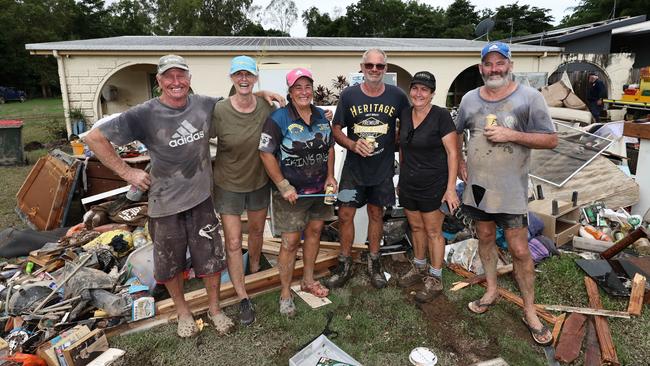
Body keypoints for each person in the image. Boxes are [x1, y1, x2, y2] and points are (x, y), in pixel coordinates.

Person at [85, 54, 282, 338]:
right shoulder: (144, 113)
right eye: (169, 76)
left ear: (189, 80)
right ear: (159, 81)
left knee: (211, 261)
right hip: (164, 204)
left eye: (181, 76)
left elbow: (237, 100)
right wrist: (127, 173)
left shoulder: (204, 104)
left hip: (202, 199)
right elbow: (93, 138)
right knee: (170, 264)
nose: (176, 82)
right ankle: (183, 312)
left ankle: (215, 309)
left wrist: (261, 93)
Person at [455, 42, 558, 346]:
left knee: (520, 250)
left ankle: (530, 310)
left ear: (510, 65)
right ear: (481, 68)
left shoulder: (530, 98)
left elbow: (551, 139)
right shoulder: (469, 99)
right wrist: (461, 159)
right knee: (485, 239)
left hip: (511, 190)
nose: (494, 69)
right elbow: (458, 131)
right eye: (489, 64)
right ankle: (491, 290)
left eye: (500, 63)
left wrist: (510, 134)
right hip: (478, 188)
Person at [325, 48, 410, 289]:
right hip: (353, 170)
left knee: (376, 215)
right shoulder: (349, 95)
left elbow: (406, 132)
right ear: (361, 68)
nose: (374, 70)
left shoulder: (397, 96)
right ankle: (344, 264)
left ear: (386, 69)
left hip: (382, 171)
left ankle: (374, 262)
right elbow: (336, 129)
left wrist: (403, 169)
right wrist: (352, 144)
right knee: (344, 215)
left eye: (379, 66)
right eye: (369, 65)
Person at [259, 67, 337, 316]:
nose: (303, 92)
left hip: (318, 191)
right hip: (291, 194)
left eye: (307, 87)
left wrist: (330, 176)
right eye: (297, 87)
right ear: (290, 91)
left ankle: (308, 280)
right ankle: (285, 292)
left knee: (314, 232)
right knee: (291, 242)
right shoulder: (278, 118)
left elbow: (330, 148)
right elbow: (265, 153)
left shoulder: (321, 116)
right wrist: (283, 185)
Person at [210, 56, 275, 326]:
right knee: (234, 242)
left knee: (258, 231)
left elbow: (289, 119)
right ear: (232, 79)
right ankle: (242, 296)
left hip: (259, 180)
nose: (244, 79)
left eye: (249, 74)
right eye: (239, 75)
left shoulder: (266, 107)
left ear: (256, 77)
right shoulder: (219, 111)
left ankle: (256, 268)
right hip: (228, 184)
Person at [396, 71, 459, 302]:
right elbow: (403, 147)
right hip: (409, 182)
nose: (419, 93)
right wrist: (401, 179)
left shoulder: (441, 116)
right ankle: (419, 267)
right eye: (415, 88)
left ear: (432, 94)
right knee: (416, 228)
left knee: (433, 231)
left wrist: (450, 188)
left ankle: (435, 277)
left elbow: (453, 153)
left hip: (434, 183)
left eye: (425, 89)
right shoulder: (405, 113)